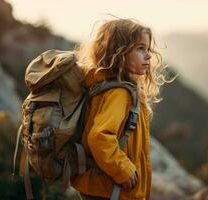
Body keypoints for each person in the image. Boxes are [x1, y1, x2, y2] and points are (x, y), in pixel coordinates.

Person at [71, 18, 169, 200]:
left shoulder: (105, 85)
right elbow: (99, 137)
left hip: (100, 187)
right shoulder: (118, 93)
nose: (148, 55)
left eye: (148, 49)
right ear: (119, 52)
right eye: (140, 48)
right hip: (110, 190)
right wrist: (123, 170)